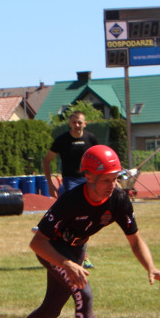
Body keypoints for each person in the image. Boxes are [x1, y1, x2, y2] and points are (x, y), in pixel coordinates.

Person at [0, 144, 160, 318]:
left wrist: (151, 266)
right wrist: (65, 263)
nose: (113, 185)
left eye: (116, 178)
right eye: (107, 180)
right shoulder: (70, 201)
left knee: (51, 309)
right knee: (83, 294)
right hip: (52, 250)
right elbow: (37, 243)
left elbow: (135, 240)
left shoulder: (118, 200)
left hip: (76, 250)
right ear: (88, 177)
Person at [42, 110, 99, 267]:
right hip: (70, 182)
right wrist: (49, 184)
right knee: (74, 218)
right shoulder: (62, 140)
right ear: (69, 123)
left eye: (80, 122)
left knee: (87, 219)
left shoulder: (90, 139)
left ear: (85, 123)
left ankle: (81, 255)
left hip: (88, 181)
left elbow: (100, 158)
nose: (77, 125)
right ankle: (61, 249)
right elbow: (47, 161)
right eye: (74, 122)